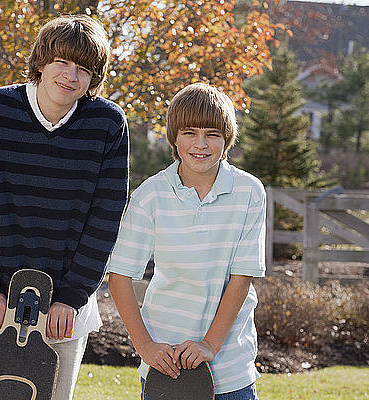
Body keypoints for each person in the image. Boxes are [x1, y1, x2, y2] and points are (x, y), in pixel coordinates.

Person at [0, 15, 128, 400]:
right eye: (62, 62)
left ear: (94, 77)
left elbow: (106, 217)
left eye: (84, 69)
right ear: (42, 61)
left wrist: (72, 296)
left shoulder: (108, 123)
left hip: (65, 310)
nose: (70, 75)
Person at [107, 83, 265, 400]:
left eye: (212, 134)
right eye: (189, 133)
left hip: (231, 367)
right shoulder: (150, 195)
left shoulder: (249, 192)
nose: (201, 144)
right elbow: (120, 277)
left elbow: (242, 278)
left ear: (227, 139)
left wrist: (210, 344)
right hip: (166, 368)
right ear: (174, 137)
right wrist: (147, 347)